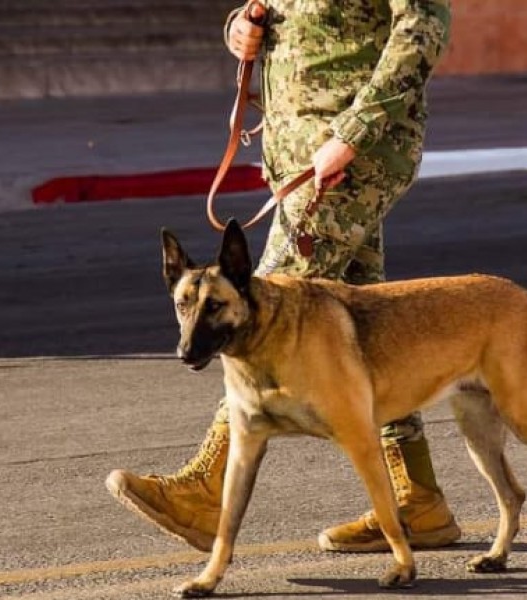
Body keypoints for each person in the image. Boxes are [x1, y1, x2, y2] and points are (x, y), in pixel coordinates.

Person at [107, 0, 462, 554]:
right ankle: (417, 501)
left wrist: (354, 130)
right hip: (298, 161)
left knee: (260, 308)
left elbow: (423, 25)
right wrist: (239, 31)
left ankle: (206, 491)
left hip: (349, 158)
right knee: (368, 329)